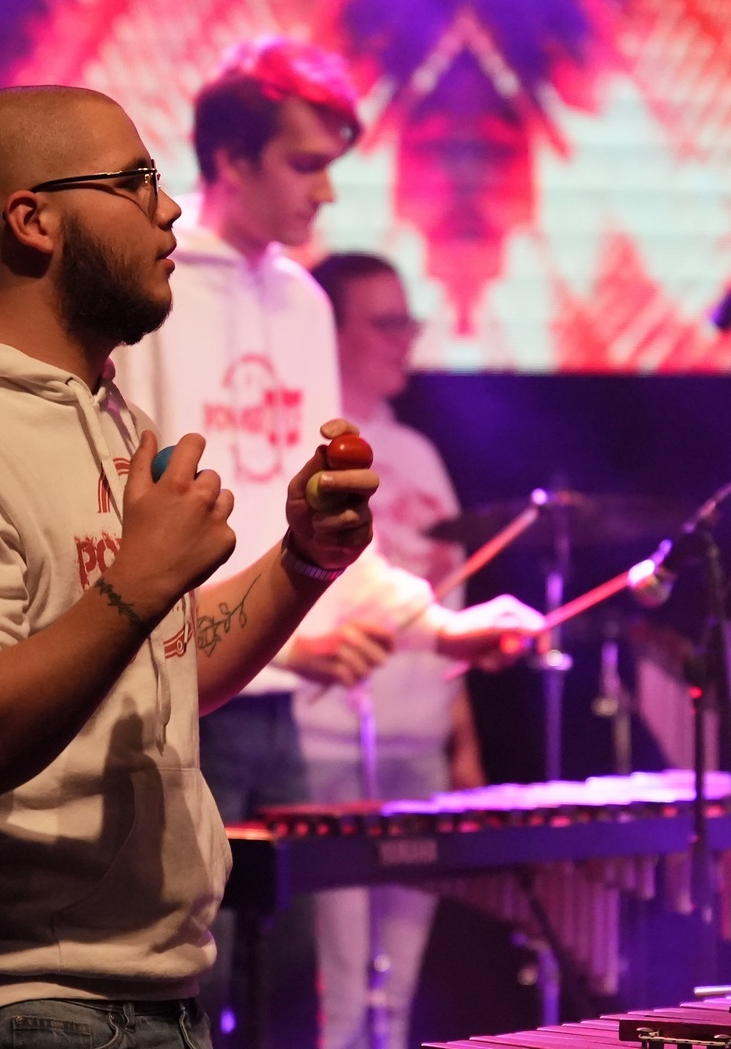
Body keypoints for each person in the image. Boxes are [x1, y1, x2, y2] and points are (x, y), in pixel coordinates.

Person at [0, 84, 382, 1049]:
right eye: (134, 182)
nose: (167, 208)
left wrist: (302, 560)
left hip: (141, 998)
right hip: (15, 1011)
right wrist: (137, 583)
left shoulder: (111, 422)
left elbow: (161, 668)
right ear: (33, 220)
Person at [111, 37, 542, 1045]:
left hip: (278, 717)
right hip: (185, 709)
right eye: (306, 164)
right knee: (188, 991)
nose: (328, 192)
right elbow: (130, 534)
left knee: (292, 997)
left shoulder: (304, 303)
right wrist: (273, 642)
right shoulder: (152, 292)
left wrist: (443, 629)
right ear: (232, 159)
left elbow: (324, 540)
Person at [293, 253, 483, 1049]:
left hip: (420, 754)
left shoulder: (421, 454)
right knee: (342, 996)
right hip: (331, 749)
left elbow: (445, 615)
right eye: (386, 323)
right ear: (328, 333)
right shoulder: (303, 449)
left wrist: (462, 745)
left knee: (396, 996)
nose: (407, 339)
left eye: (410, 321)